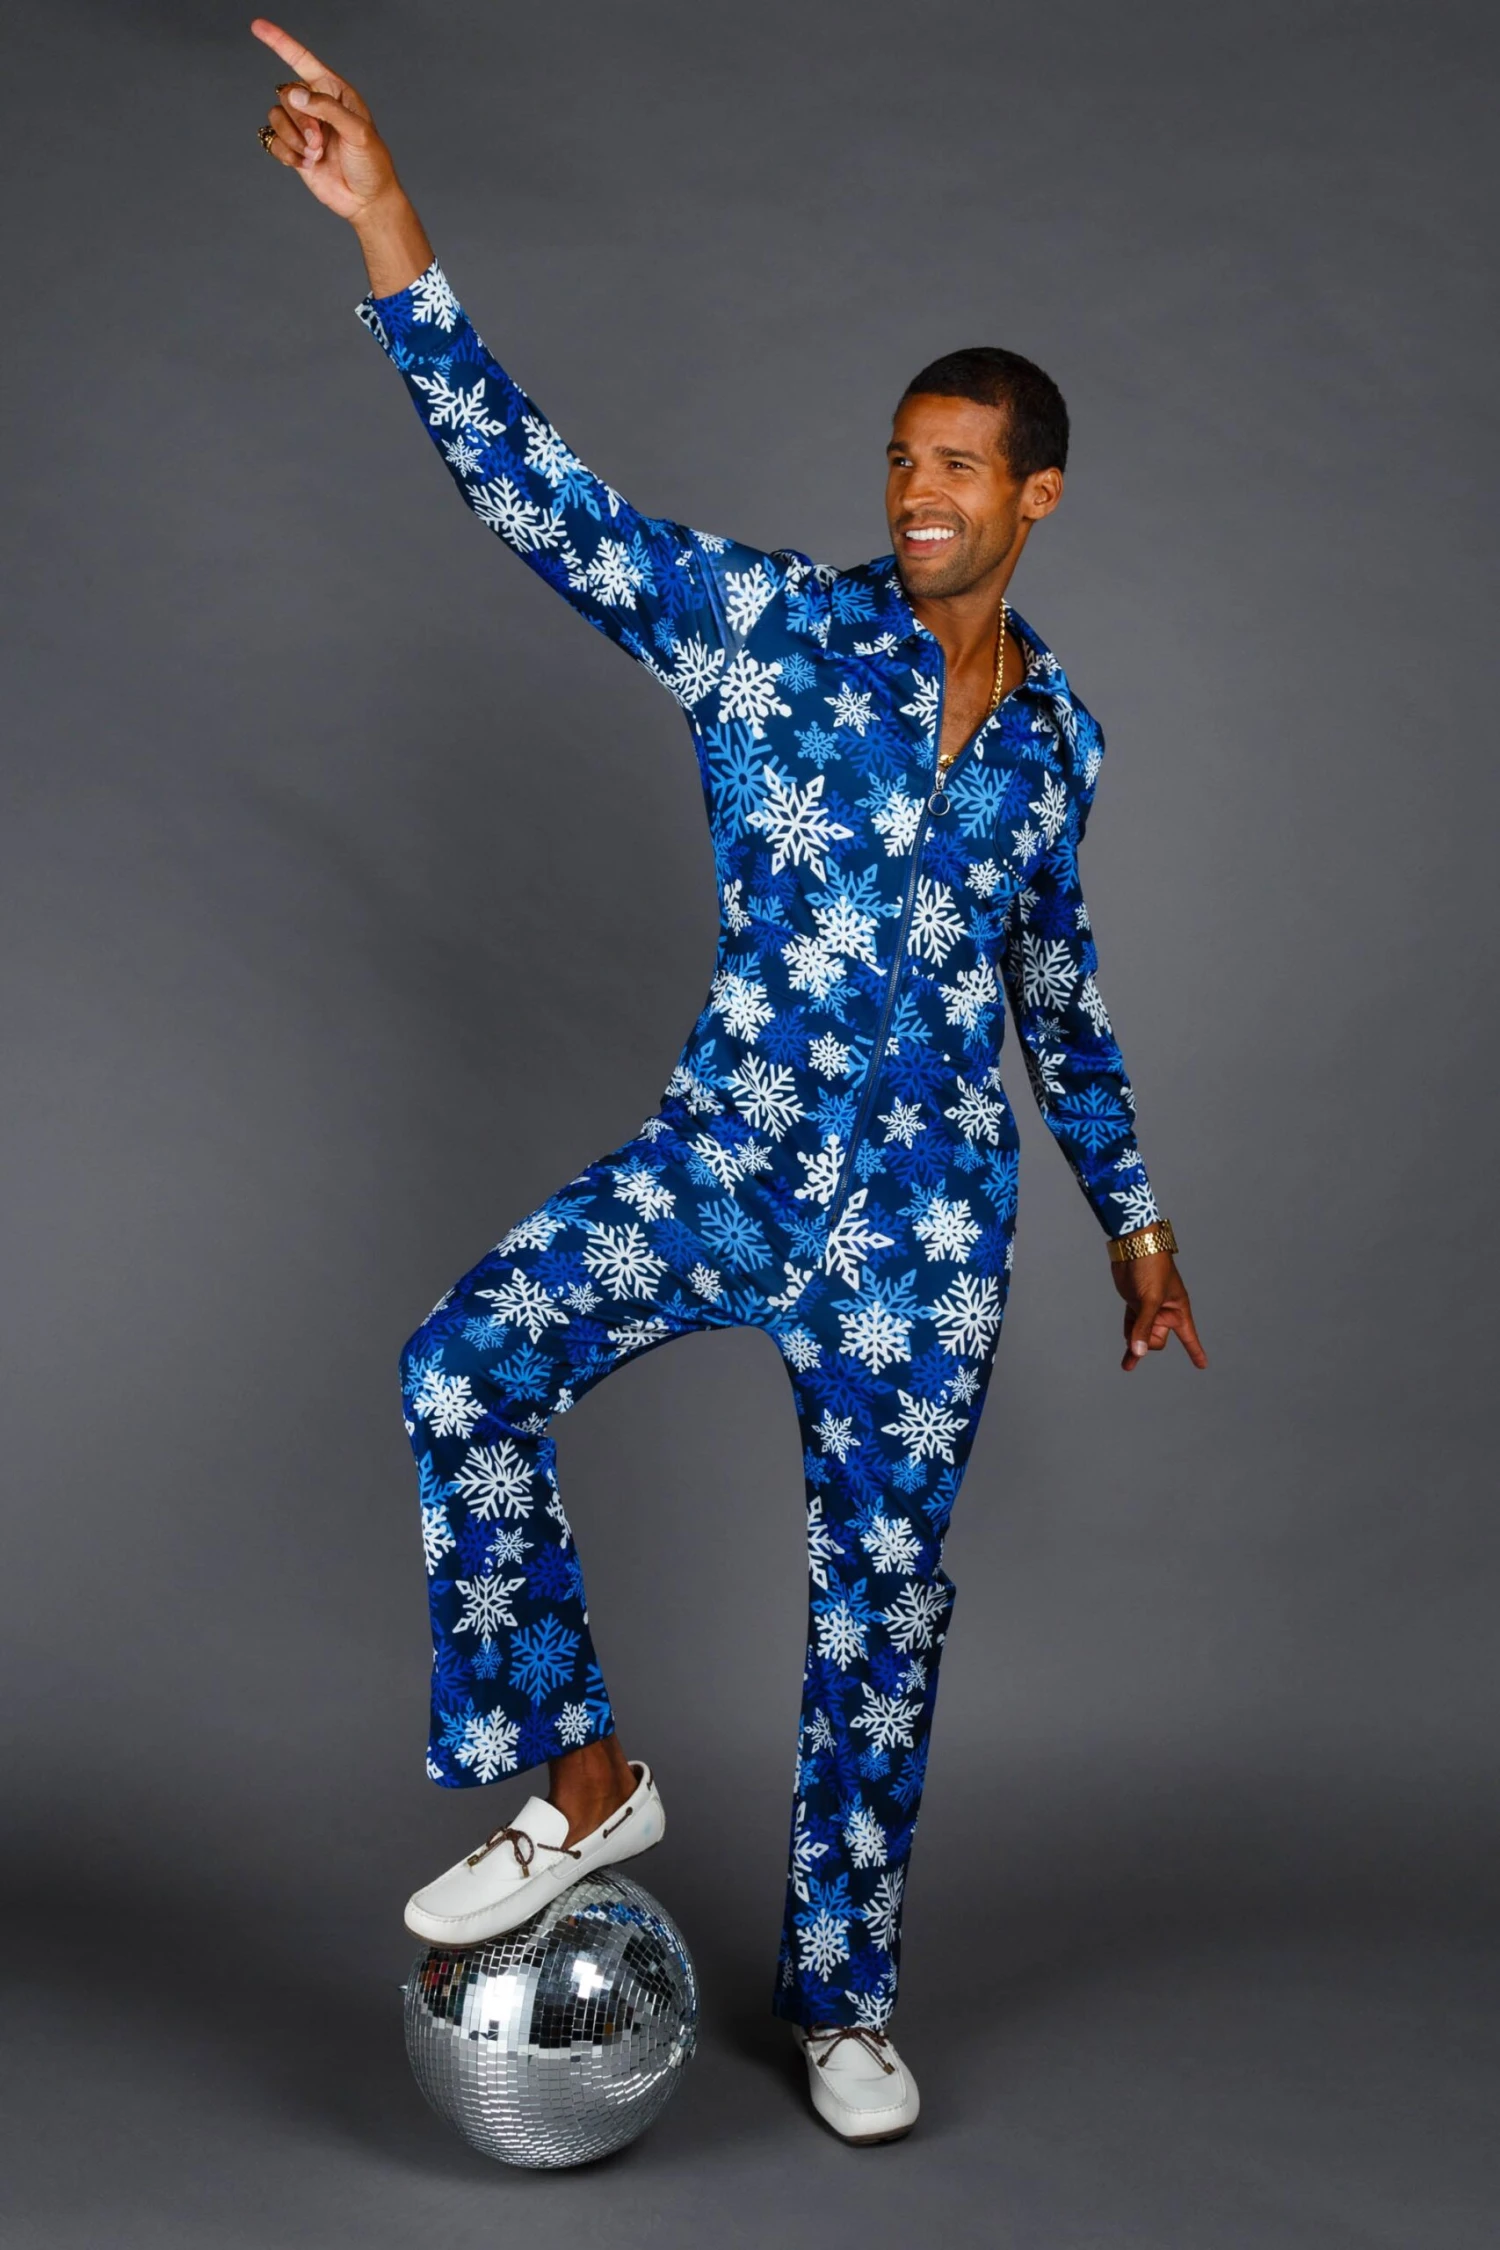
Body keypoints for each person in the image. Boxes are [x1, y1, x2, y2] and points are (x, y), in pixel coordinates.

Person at [250, 17, 1208, 2146]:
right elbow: (546, 501)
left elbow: (1060, 997)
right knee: (460, 1366)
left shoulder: (1062, 744)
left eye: (956, 467)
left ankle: (847, 2002)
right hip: (729, 1166)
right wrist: (389, 226)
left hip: (929, 1234)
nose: (916, 493)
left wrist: (1137, 1227)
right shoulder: (771, 637)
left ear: (1036, 495)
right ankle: (587, 1777)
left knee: (882, 1611)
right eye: (899, 459)